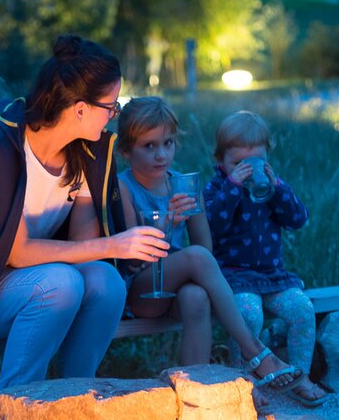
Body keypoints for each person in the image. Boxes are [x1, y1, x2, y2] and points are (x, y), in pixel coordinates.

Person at [0, 35, 170, 390]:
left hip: (36, 284)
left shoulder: (83, 153)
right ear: (80, 109)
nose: (114, 116)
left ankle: (74, 393)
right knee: (61, 283)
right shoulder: (0, 149)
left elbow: (83, 246)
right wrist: (115, 245)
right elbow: (18, 252)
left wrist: (118, 247)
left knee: (107, 283)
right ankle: (20, 400)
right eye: (111, 106)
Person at [116, 97, 305, 401]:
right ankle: (255, 352)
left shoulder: (182, 183)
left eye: (167, 143)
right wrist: (167, 224)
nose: (161, 155)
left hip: (176, 289)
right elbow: (130, 261)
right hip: (142, 290)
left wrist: (191, 214)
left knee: (197, 297)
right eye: (148, 146)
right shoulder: (123, 187)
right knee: (195, 259)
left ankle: (196, 395)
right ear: (126, 151)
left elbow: (205, 246)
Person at [203, 110, 330, 407]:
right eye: (238, 164)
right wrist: (232, 187)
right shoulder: (217, 189)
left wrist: (279, 189)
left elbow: (298, 219)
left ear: (267, 158)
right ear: (220, 161)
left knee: (301, 308)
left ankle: (300, 375)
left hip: (272, 275)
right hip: (233, 276)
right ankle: (242, 381)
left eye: (255, 163)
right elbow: (213, 227)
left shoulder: (272, 188)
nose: (248, 171)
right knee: (248, 314)